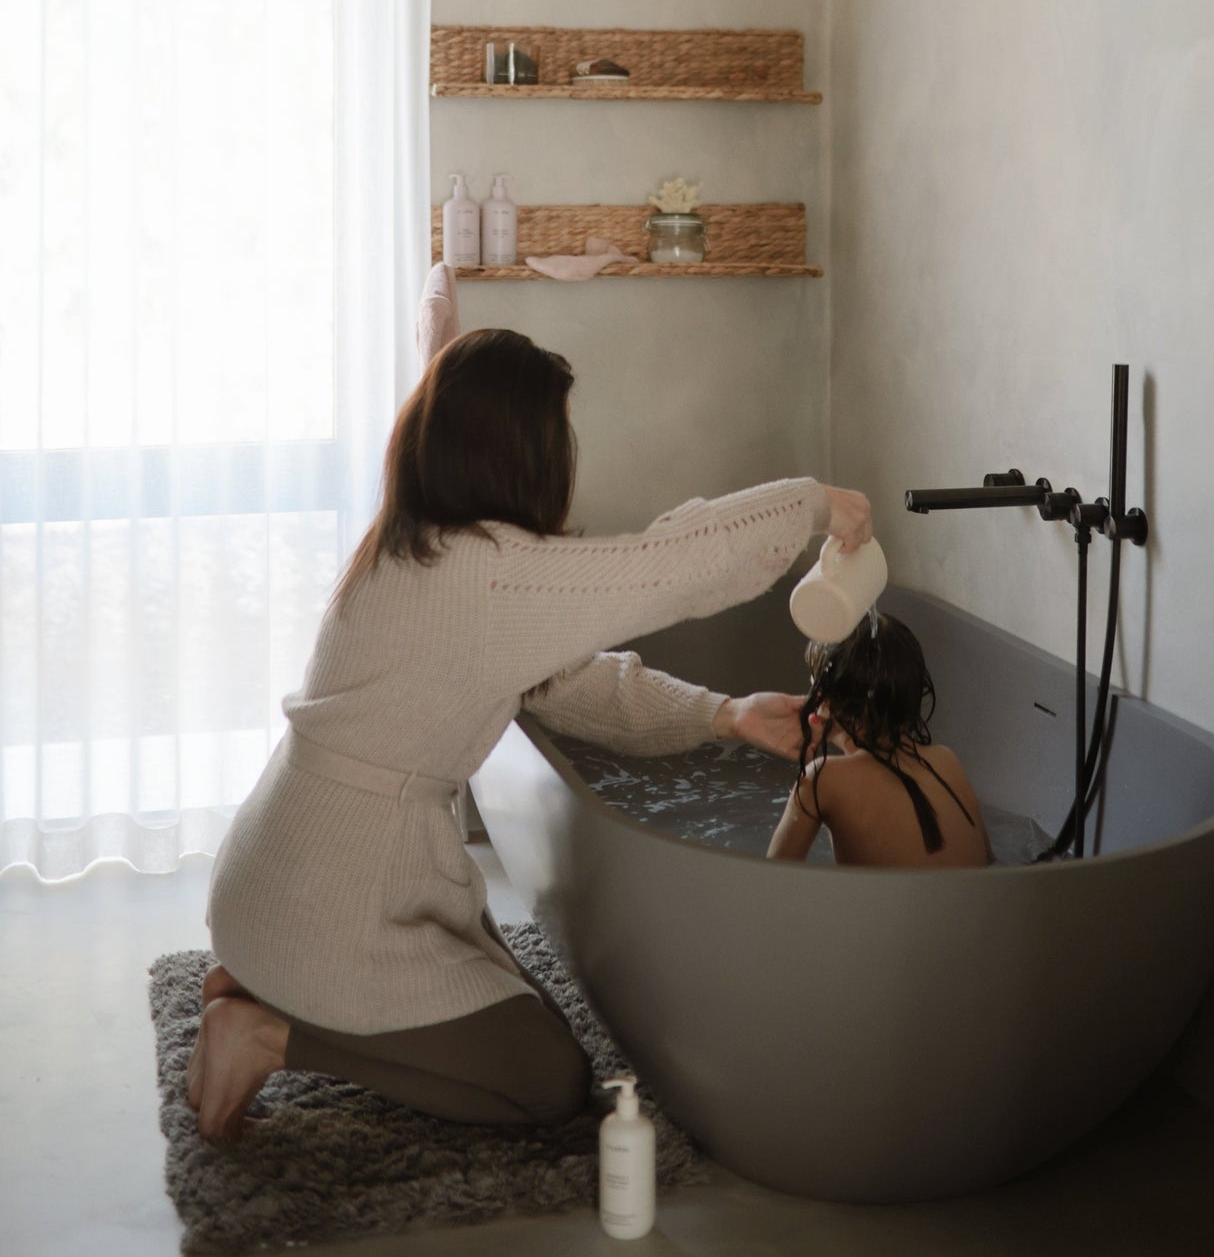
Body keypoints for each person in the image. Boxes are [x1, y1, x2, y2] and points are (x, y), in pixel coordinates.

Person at [188, 327, 872, 1140]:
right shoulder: (483, 572)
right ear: (523, 452)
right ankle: (272, 1030)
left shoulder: (417, 549)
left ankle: (268, 980)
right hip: (333, 901)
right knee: (547, 1082)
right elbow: (675, 562)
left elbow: (578, 687)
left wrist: (720, 713)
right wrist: (813, 504)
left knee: (524, 1017)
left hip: (287, 873)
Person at [766, 614, 990, 868]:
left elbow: (773, 881)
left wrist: (803, 780)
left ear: (823, 699)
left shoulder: (822, 779)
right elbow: (987, 859)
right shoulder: (946, 759)